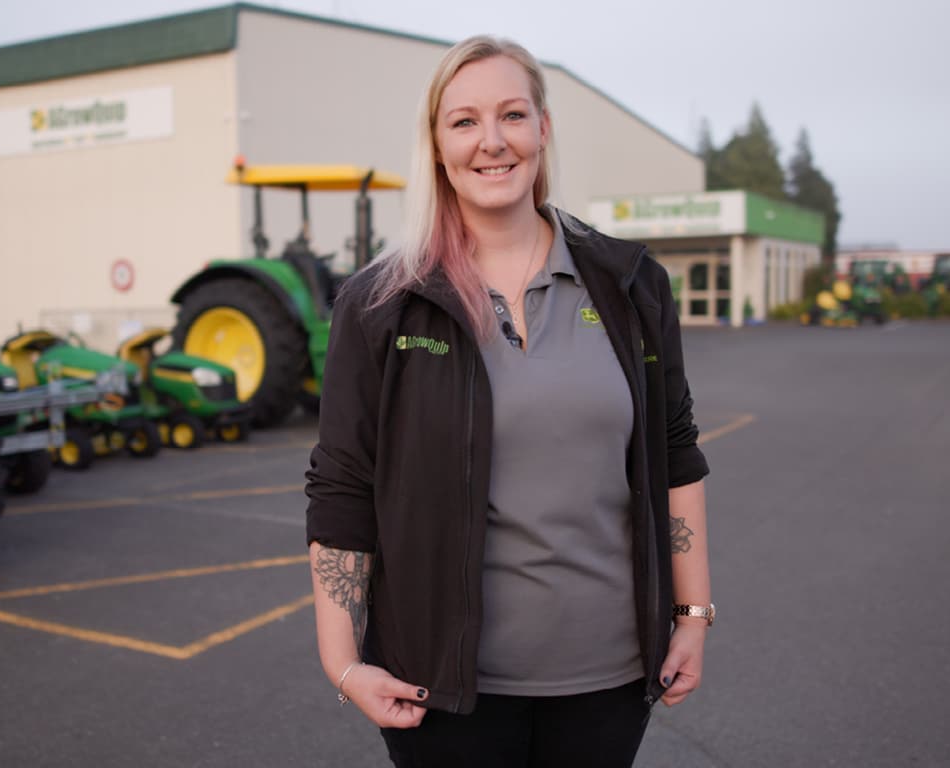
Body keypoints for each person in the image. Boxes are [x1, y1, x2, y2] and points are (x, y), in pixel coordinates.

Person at [304, 35, 713, 768]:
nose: (491, 142)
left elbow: (674, 453)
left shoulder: (631, 284)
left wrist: (692, 615)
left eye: (512, 115)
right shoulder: (382, 304)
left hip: (611, 680)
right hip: (439, 688)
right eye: (463, 122)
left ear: (543, 130)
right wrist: (343, 662)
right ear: (435, 144)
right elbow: (342, 485)